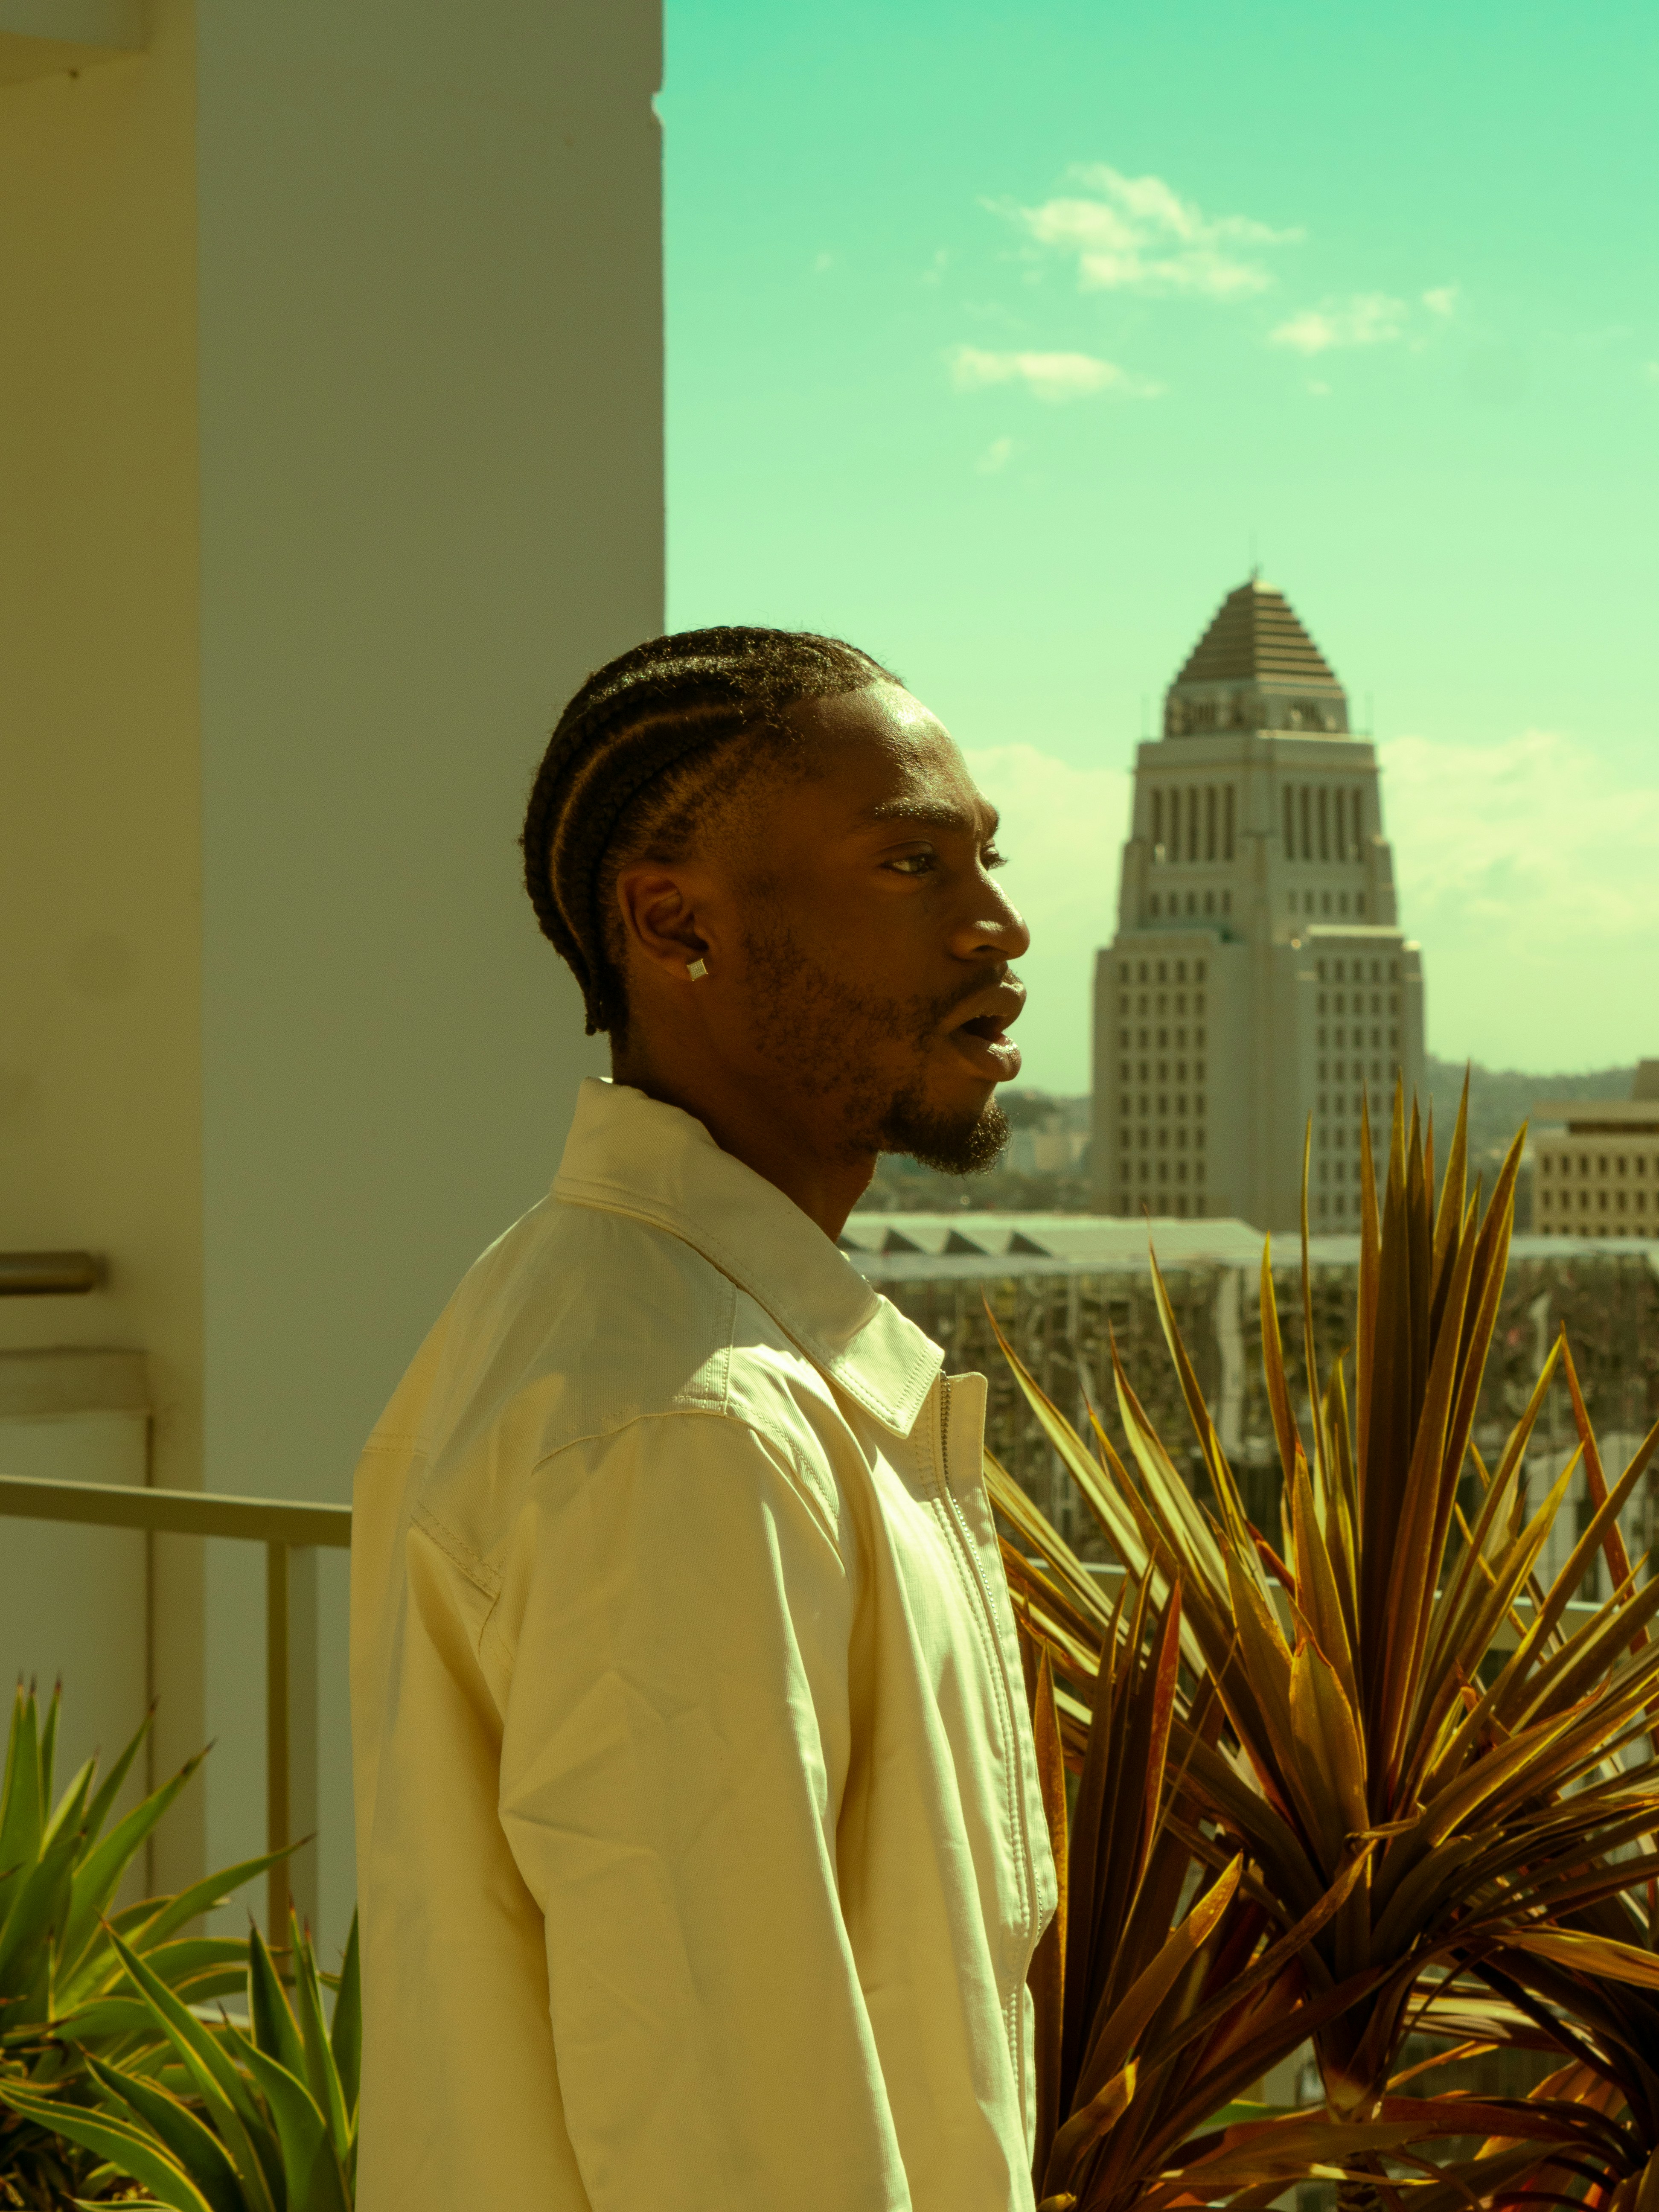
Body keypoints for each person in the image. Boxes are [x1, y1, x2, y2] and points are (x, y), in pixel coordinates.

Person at [350, 628, 1057, 2211]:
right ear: (675, 923)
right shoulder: (693, 1432)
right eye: (909, 865)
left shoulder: (577, 1315)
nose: (999, 927)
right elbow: (732, 2135)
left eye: (986, 863)